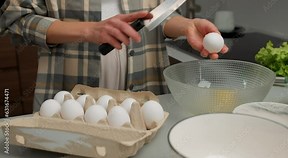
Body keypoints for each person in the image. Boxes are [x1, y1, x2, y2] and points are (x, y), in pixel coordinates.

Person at [0, 0, 228, 111]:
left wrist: (186, 25)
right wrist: (89, 31)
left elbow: (155, 16)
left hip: (145, 95)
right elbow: (15, 18)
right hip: (70, 96)